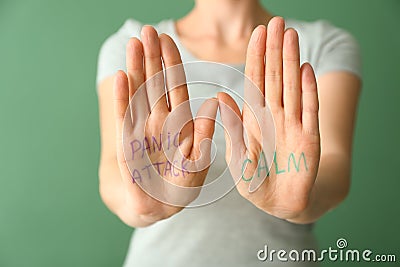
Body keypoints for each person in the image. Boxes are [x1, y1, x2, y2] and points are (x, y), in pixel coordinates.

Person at [96, 0, 362, 266]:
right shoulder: (135, 47)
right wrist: (144, 206)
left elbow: (334, 164)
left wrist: (299, 199)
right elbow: (112, 170)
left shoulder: (324, 44)